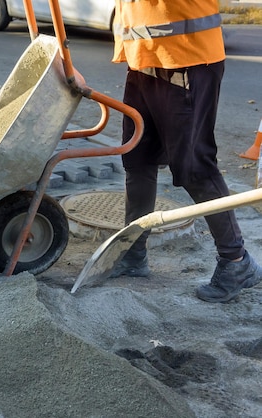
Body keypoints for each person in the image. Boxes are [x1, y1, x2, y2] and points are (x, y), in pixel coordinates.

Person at [109, 0, 262, 302]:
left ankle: (236, 262)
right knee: (137, 160)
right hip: (143, 61)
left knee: (195, 167)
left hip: (187, 61)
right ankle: (133, 253)